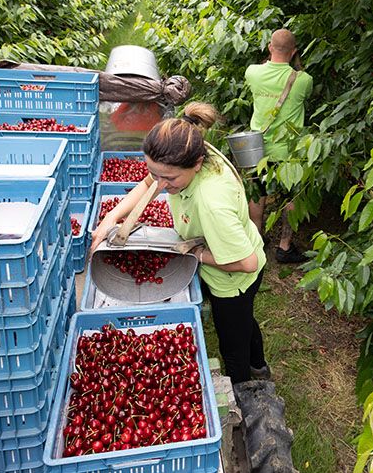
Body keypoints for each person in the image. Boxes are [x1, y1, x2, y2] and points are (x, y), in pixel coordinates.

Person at [90, 102, 271, 385]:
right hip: (232, 247)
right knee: (244, 321)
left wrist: (197, 254)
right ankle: (259, 365)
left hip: (232, 278)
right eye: (155, 173)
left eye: (169, 178)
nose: (160, 184)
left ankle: (246, 386)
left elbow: (246, 263)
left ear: (196, 165)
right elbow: (149, 183)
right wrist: (111, 218)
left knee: (232, 339)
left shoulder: (211, 202)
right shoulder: (190, 151)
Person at [245, 28, 313, 264]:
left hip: (257, 148)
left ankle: (256, 238)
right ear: (294, 51)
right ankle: (284, 246)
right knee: (291, 197)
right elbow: (303, 90)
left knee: (257, 193)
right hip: (289, 152)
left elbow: (260, 72)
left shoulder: (252, 73)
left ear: (269, 47)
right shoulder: (303, 80)